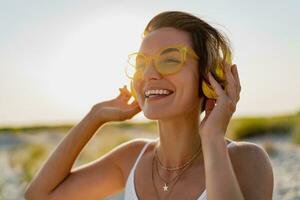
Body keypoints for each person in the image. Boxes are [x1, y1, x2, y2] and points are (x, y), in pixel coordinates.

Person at [24, 11, 274, 200]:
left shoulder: (245, 159)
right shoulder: (132, 158)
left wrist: (212, 139)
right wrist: (95, 116)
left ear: (208, 78)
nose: (149, 74)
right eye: (141, 63)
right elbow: (39, 196)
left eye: (170, 60)